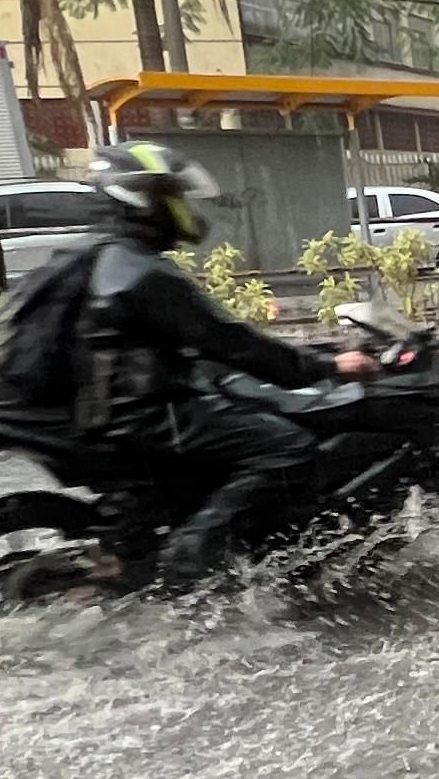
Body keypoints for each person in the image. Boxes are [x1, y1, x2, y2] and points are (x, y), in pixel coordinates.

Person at [74, 144, 374, 584]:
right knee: (288, 447)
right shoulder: (147, 274)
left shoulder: (108, 259)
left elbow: (190, 343)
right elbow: (235, 343)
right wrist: (325, 367)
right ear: (142, 200)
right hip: (156, 414)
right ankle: (192, 552)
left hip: (115, 407)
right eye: (172, 196)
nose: (183, 206)